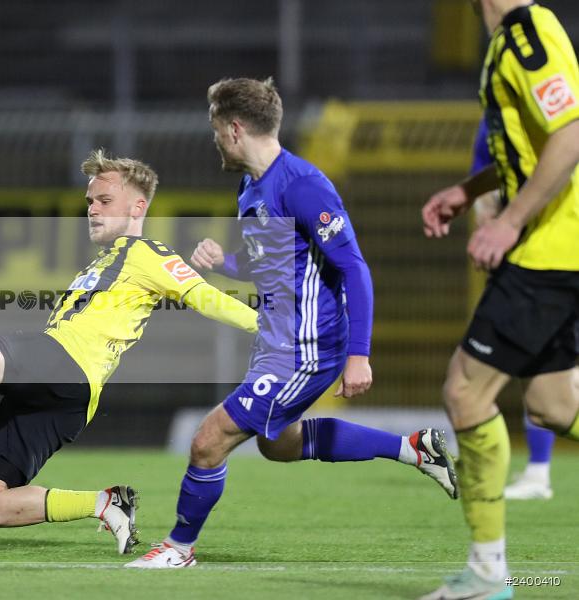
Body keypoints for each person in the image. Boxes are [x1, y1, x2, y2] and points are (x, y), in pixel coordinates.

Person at [125, 77, 459, 570]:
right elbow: (278, 264)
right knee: (277, 444)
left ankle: (177, 547)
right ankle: (414, 449)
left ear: (235, 128)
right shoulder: (251, 187)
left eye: (217, 129)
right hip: (278, 342)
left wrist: (359, 354)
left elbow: (354, 268)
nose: (215, 139)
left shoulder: (302, 185)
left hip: (308, 348)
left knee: (208, 440)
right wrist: (228, 264)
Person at [0, 149, 261, 555]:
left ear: (138, 206)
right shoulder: (106, 261)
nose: (92, 209)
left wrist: (269, 328)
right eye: (90, 201)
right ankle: (107, 504)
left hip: (67, 363)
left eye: (104, 201)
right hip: (66, 397)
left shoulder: (148, 254)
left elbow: (207, 298)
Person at [420, 0, 579, 597]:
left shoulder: (529, 34)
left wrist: (509, 222)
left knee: (464, 391)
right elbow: (532, 149)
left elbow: (570, 136)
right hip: (554, 248)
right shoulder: (510, 38)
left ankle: (487, 575)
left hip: (549, 251)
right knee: (553, 407)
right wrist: (468, 190)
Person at [470, 119, 559, 502]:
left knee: (466, 385)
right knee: (544, 368)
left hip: (550, 257)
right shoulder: (496, 113)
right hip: (533, 255)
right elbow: (484, 172)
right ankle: (537, 470)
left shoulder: (546, 103)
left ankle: (535, 472)